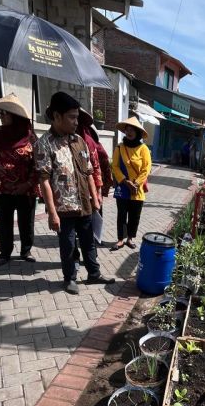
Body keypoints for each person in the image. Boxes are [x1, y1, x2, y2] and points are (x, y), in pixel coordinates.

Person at [35, 92, 115, 294]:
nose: (75, 121)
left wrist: (95, 197)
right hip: (64, 208)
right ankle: (69, 278)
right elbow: (44, 180)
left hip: (85, 203)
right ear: (56, 116)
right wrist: (52, 213)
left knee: (89, 242)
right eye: (71, 117)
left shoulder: (79, 140)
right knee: (68, 246)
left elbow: (88, 171)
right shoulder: (44, 144)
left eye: (77, 117)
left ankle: (94, 274)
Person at [0, 93, 38, 267]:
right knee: (4, 221)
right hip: (2, 186)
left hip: (25, 187)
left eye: (5, 113)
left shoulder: (30, 136)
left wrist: (28, 183)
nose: (1, 116)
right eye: (0, 113)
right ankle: (5, 252)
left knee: (26, 221)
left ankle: (26, 250)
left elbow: (39, 163)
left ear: (16, 116)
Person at [110, 116, 151, 251]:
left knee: (134, 216)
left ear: (138, 132)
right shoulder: (119, 147)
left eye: (132, 129)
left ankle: (130, 238)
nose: (129, 132)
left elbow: (146, 168)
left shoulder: (143, 148)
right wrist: (124, 181)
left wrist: (136, 183)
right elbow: (115, 166)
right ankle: (120, 239)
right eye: (127, 129)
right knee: (121, 214)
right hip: (123, 187)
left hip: (137, 190)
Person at [77, 109, 112, 244]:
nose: (74, 123)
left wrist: (98, 191)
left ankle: (94, 241)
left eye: (76, 119)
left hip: (90, 189)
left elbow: (97, 168)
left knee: (94, 216)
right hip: (71, 193)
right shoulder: (58, 141)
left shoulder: (88, 142)